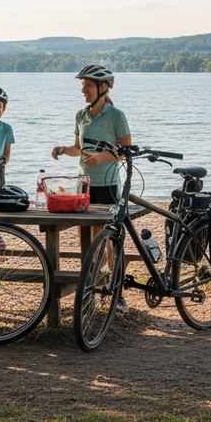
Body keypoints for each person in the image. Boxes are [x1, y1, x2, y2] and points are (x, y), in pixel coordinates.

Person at [52, 64, 132, 312]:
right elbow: (79, 148)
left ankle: (116, 292)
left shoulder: (116, 116)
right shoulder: (81, 115)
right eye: (83, 86)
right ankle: (89, 288)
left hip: (107, 185)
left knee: (111, 240)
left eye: (88, 86)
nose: (83, 91)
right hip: (84, 185)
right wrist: (65, 150)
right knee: (86, 238)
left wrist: (101, 158)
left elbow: (126, 151)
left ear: (103, 88)